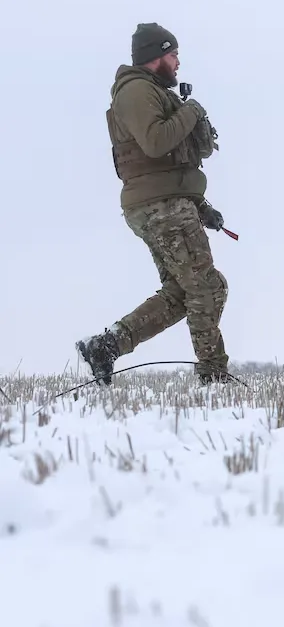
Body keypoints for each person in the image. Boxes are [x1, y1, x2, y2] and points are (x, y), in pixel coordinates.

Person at [77, 22, 230, 386]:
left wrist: (200, 206)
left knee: (182, 292)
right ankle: (213, 376)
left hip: (167, 203)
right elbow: (156, 143)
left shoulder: (153, 92)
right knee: (207, 287)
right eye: (173, 54)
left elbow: (170, 163)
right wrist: (191, 111)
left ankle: (106, 346)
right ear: (155, 56)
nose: (178, 62)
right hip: (161, 207)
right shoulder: (135, 91)